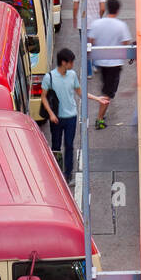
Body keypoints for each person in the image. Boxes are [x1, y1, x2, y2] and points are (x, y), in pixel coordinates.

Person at [88, 0, 132, 129]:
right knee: (108, 92)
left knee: (106, 88)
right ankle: (99, 119)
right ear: (118, 10)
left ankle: (102, 113)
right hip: (114, 63)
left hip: (101, 61)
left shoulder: (97, 24)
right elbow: (125, 42)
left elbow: (91, 40)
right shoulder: (120, 25)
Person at [41, 49, 82, 184]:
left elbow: (80, 92)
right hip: (57, 118)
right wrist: (51, 114)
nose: (73, 64)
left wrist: (97, 99)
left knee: (69, 145)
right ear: (64, 62)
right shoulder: (49, 77)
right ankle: (57, 173)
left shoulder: (72, 75)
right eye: (71, 62)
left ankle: (68, 174)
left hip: (71, 116)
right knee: (56, 146)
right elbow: (44, 98)